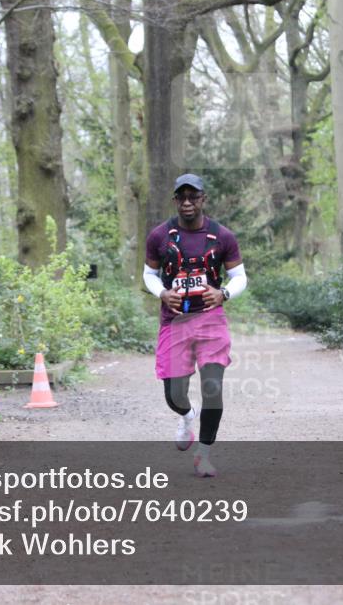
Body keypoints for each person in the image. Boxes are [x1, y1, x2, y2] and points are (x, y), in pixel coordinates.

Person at [142, 174, 247, 477]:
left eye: (193, 196)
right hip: (174, 322)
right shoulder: (159, 236)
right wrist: (162, 292)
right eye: (181, 197)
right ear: (175, 200)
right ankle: (187, 416)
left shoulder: (222, 236)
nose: (187, 202)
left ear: (203, 199)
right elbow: (148, 274)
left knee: (212, 387)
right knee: (174, 395)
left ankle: (204, 453)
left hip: (211, 320)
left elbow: (240, 276)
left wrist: (224, 292)